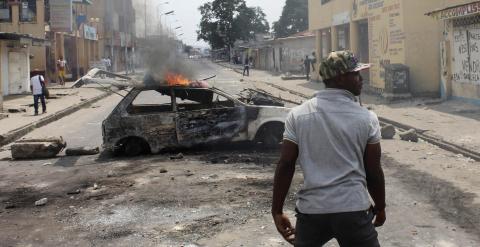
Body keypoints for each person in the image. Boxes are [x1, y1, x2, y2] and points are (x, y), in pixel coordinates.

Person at [272, 50, 386, 246]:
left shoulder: (298, 115)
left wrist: (277, 210)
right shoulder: (367, 118)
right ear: (340, 78)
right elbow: (373, 171)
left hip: (312, 212)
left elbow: (286, 164)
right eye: (356, 74)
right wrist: (381, 206)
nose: (361, 79)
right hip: (353, 210)